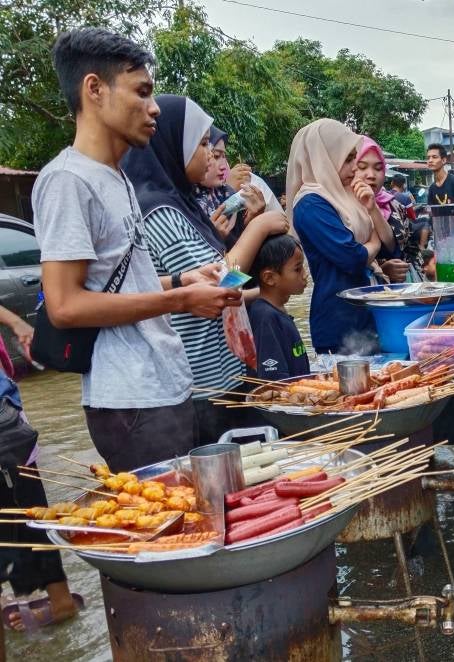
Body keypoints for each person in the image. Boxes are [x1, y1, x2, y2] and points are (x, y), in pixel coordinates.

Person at [33, 28, 239, 471]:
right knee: (170, 531)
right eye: (142, 92)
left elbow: (122, 282)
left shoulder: (117, 177)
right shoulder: (68, 180)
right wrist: (181, 299)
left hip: (163, 384)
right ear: (94, 89)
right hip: (130, 399)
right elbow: (65, 305)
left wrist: (183, 280)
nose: (153, 109)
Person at [121, 94, 290, 444]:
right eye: (200, 144)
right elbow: (220, 283)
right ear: (171, 146)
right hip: (202, 384)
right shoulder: (160, 211)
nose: (209, 154)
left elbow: (229, 272)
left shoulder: (184, 203)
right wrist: (259, 229)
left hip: (220, 376)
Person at [0, 307, 81, 632]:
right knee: (29, 512)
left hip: (7, 431)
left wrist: (15, 322)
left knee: (30, 511)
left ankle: (59, 600)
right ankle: (41, 597)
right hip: (9, 425)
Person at [287, 119, 397, 354]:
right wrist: (373, 242)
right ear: (324, 158)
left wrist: (372, 209)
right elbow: (352, 257)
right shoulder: (310, 204)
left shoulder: (346, 196)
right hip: (338, 323)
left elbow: (391, 249)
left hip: (368, 316)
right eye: (348, 160)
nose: (354, 169)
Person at [356, 136, 421, 282]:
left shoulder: (395, 205)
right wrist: (381, 270)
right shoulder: (342, 208)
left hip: (401, 290)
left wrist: (373, 209)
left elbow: (397, 249)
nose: (371, 175)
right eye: (362, 167)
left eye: (378, 168)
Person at [247, 234, 310, 382]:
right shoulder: (265, 317)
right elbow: (274, 382)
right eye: (297, 269)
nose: (305, 275)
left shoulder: (276, 310)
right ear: (269, 278)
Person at [194, 127, 266, 247]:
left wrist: (253, 219)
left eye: (224, 156)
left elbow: (242, 256)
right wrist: (213, 238)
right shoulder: (181, 205)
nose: (223, 166)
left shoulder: (229, 196)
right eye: (216, 156)